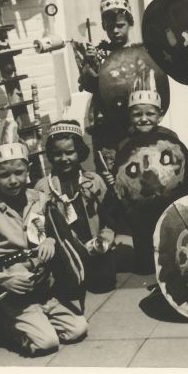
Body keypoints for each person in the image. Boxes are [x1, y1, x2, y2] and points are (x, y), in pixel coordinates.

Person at [0, 116, 87, 357]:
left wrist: (50, 240)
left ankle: (38, 319)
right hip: (13, 294)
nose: (13, 181)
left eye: (19, 172)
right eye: (4, 175)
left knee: (78, 329)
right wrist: (1, 279)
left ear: (27, 171)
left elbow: (56, 230)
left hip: (44, 289)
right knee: (46, 343)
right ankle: (0, 326)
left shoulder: (39, 200)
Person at [111, 72, 188, 274]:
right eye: (137, 114)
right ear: (130, 116)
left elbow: (182, 165)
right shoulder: (124, 144)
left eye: (150, 114)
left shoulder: (170, 137)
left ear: (160, 115)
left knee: (170, 232)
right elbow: (121, 174)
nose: (144, 119)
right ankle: (147, 261)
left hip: (168, 198)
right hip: (139, 205)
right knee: (143, 241)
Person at [34, 120, 120, 293]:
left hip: (95, 246)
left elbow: (110, 216)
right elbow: (39, 224)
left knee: (104, 284)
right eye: (57, 154)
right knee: (70, 290)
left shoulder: (93, 181)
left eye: (70, 152)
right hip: (65, 251)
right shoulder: (43, 187)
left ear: (79, 151)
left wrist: (104, 239)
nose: (64, 159)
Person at [75, 0, 135, 175]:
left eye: (120, 25)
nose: (115, 31)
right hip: (106, 122)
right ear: (103, 27)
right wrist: (90, 63)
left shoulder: (138, 52)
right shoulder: (100, 53)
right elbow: (89, 85)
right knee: (108, 167)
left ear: (130, 23)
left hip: (133, 119)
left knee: (134, 162)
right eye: (110, 27)